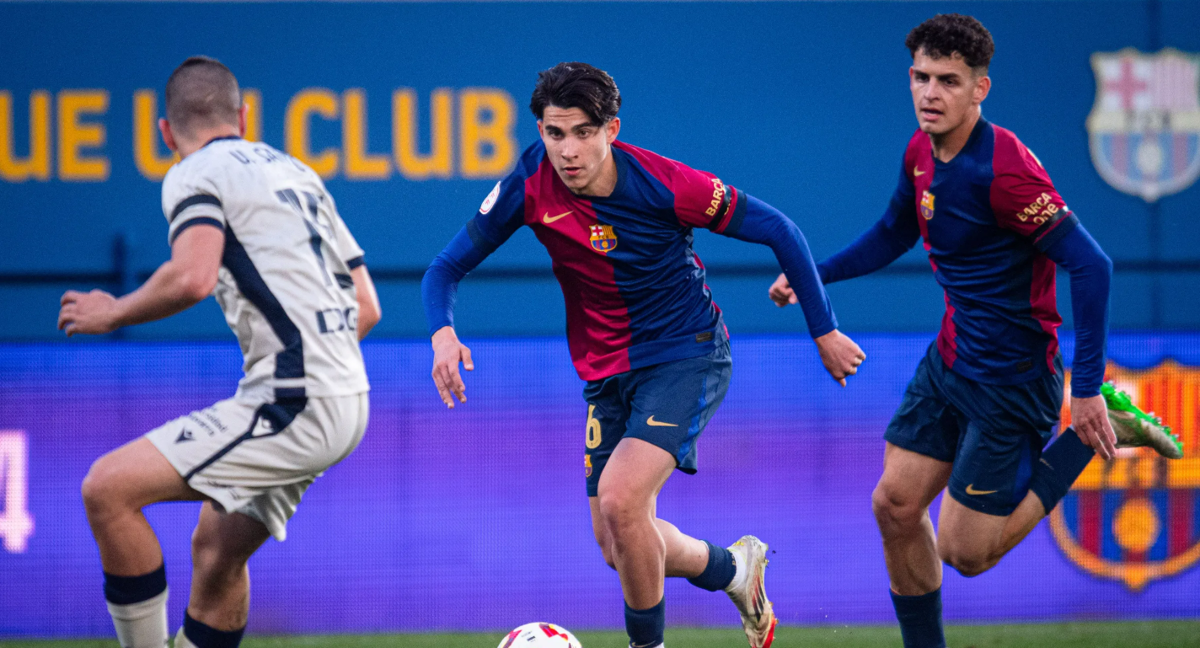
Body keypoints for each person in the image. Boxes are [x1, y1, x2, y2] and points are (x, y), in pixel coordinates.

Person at [767, 15, 1181, 648]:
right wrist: (812, 277)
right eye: (921, 77)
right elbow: (893, 233)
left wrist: (1090, 386)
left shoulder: (1005, 172)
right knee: (895, 506)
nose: (931, 93)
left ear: (980, 88)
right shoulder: (920, 150)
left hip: (1012, 381)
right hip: (950, 361)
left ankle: (1087, 437)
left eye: (949, 81)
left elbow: (1091, 264)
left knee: (967, 552)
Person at [422, 62, 865, 648]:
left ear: (612, 129)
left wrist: (824, 330)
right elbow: (444, 269)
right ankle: (736, 571)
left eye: (583, 132)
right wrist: (442, 334)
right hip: (607, 373)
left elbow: (781, 230)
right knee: (619, 541)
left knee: (622, 500)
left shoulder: (666, 184)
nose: (568, 150)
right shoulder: (530, 182)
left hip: (687, 353)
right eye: (555, 133)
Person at [57, 56, 381, 648]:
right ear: (245, 114)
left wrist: (114, 311)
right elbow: (368, 306)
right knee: (216, 552)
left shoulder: (194, 172)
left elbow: (192, 277)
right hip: (348, 395)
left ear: (164, 132)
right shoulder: (298, 172)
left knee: (106, 491)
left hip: (294, 401)